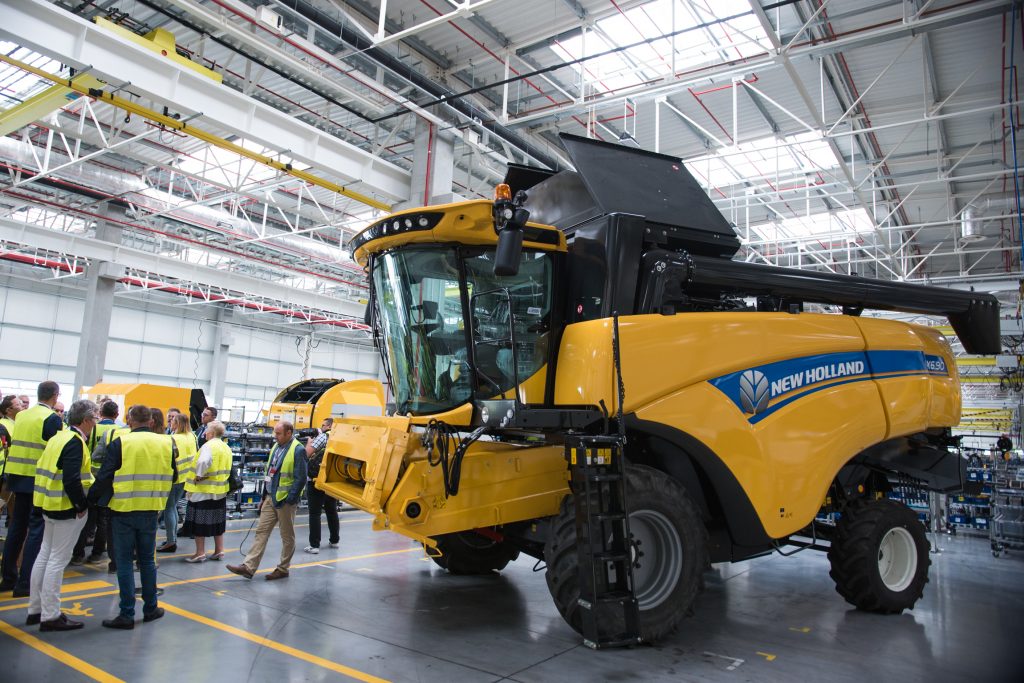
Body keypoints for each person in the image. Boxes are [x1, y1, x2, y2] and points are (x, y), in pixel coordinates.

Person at [88, 405, 176, 629]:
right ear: (151, 421)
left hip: (123, 509)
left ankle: (127, 613)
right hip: (151, 509)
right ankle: (151, 608)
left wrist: (90, 501)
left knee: (124, 561)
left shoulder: (121, 442)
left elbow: (105, 475)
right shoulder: (167, 443)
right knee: (147, 560)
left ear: (129, 420)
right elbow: (173, 474)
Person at [27, 399, 98, 631]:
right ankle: (50, 615)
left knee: (45, 555)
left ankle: (36, 609)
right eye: (94, 419)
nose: (95, 423)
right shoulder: (75, 442)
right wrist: (81, 505)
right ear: (86, 420)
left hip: (48, 504)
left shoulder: (58, 437)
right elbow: (71, 479)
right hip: (65, 508)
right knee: (57, 559)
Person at [1, 381, 62, 596]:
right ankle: (25, 582)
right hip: (37, 480)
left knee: (16, 528)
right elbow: (55, 450)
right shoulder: (51, 418)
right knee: (36, 530)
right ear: (55, 396)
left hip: (17, 478)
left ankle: (8, 577)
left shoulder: (22, 416)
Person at [227, 421, 306, 581]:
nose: (275, 436)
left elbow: (301, 478)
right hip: (270, 498)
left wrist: (290, 499)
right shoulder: (276, 448)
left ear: (289, 433)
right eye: (275, 433)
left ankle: (283, 568)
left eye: (278, 433)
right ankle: (248, 567)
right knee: (261, 531)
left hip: (285, 501)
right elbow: (269, 473)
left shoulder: (298, 450)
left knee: (287, 536)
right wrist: (264, 496)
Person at [183, 420, 230, 562]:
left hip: (203, 491)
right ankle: (219, 551)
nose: (205, 433)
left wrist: (199, 475)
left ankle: (200, 553)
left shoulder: (208, 446)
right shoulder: (225, 447)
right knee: (218, 522)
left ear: (211, 433)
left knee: (199, 523)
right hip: (220, 491)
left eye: (207, 430)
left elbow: (203, 462)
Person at [158, 412, 198, 553]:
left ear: (178, 423)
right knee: (173, 507)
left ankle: (170, 541)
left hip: (175, 478)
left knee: (169, 508)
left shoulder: (173, 438)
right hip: (187, 477)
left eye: (173, 420)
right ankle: (172, 538)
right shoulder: (192, 436)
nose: (170, 422)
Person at [303, 418, 339, 555]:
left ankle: (314, 545)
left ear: (329, 426)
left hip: (317, 480)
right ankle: (334, 540)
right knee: (332, 511)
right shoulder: (340, 439)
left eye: (323, 424)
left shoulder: (323, 437)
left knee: (315, 513)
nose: (321, 427)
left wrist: (309, 443)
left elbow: (307, 454)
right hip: (332, 480)